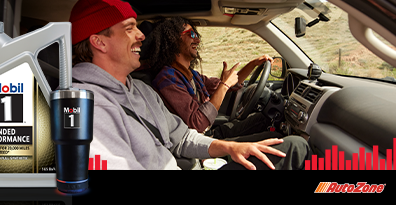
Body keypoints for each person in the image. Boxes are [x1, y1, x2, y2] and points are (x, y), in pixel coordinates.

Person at [68, 0, 310, 170]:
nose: (142, 35)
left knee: (284, 143)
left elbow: (182, 137)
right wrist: (224, 90)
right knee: (295, 147)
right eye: (130, 28)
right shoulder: (86, 109)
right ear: (99, 42)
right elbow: (197, 123)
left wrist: (230, 148)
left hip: (191, 159)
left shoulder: (141, 89)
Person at [146, 17, 275, 141]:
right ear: (174, 39)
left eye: (196, 35)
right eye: (191, 34)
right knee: (270, 137)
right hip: (199, 143)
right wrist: (224, 85)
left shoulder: (192, 75)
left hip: (209, 134)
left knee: (263, 120)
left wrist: (253, 64)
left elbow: (230, 84)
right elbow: (198, 124)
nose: (197, 40)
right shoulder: (167, 80)